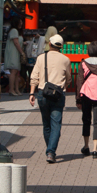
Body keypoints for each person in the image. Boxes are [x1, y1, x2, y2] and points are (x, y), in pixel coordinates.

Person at [29, 34, 72, 163]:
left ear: (50, 44)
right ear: (61, 46)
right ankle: (51, 152)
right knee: (56, 124)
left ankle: (50, 150)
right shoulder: (66, 60)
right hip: (58, 95)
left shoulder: (41, 58)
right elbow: (69, 79)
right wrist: (63, 85)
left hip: (43, 93)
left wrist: (32, 93)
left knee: (46, 124)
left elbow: (34, 76)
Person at [4, 22, 25, 95]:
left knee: (16, 72)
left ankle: (16, 89)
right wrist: (21, 52)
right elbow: (16, 42)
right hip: (13, 54)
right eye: (19, 22)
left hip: (15, 53)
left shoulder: (15, 31)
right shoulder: (14, 31)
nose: (21, 23)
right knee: (13, 71)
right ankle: (12, 89)